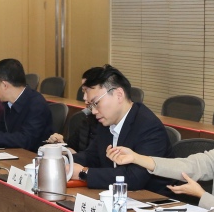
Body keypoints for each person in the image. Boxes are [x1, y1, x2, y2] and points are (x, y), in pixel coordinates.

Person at [67, 65, 172, 194]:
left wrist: (84, 173)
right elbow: (92, 156)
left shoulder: (149, 126)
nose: (93, 111)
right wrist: (60, 161)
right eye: (90, 105)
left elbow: (134, 178)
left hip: (152, 199)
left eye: (96, 103)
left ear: (119, 95)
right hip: (120, 196)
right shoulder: (106, 121)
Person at [47, 66, 103, 153]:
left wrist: (76, 156)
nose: (84, 98)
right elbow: (73, 147)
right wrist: (61, 144)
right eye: (83, 91)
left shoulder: (108, 124)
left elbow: (92, 157)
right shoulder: (86, 119)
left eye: (87, 91)